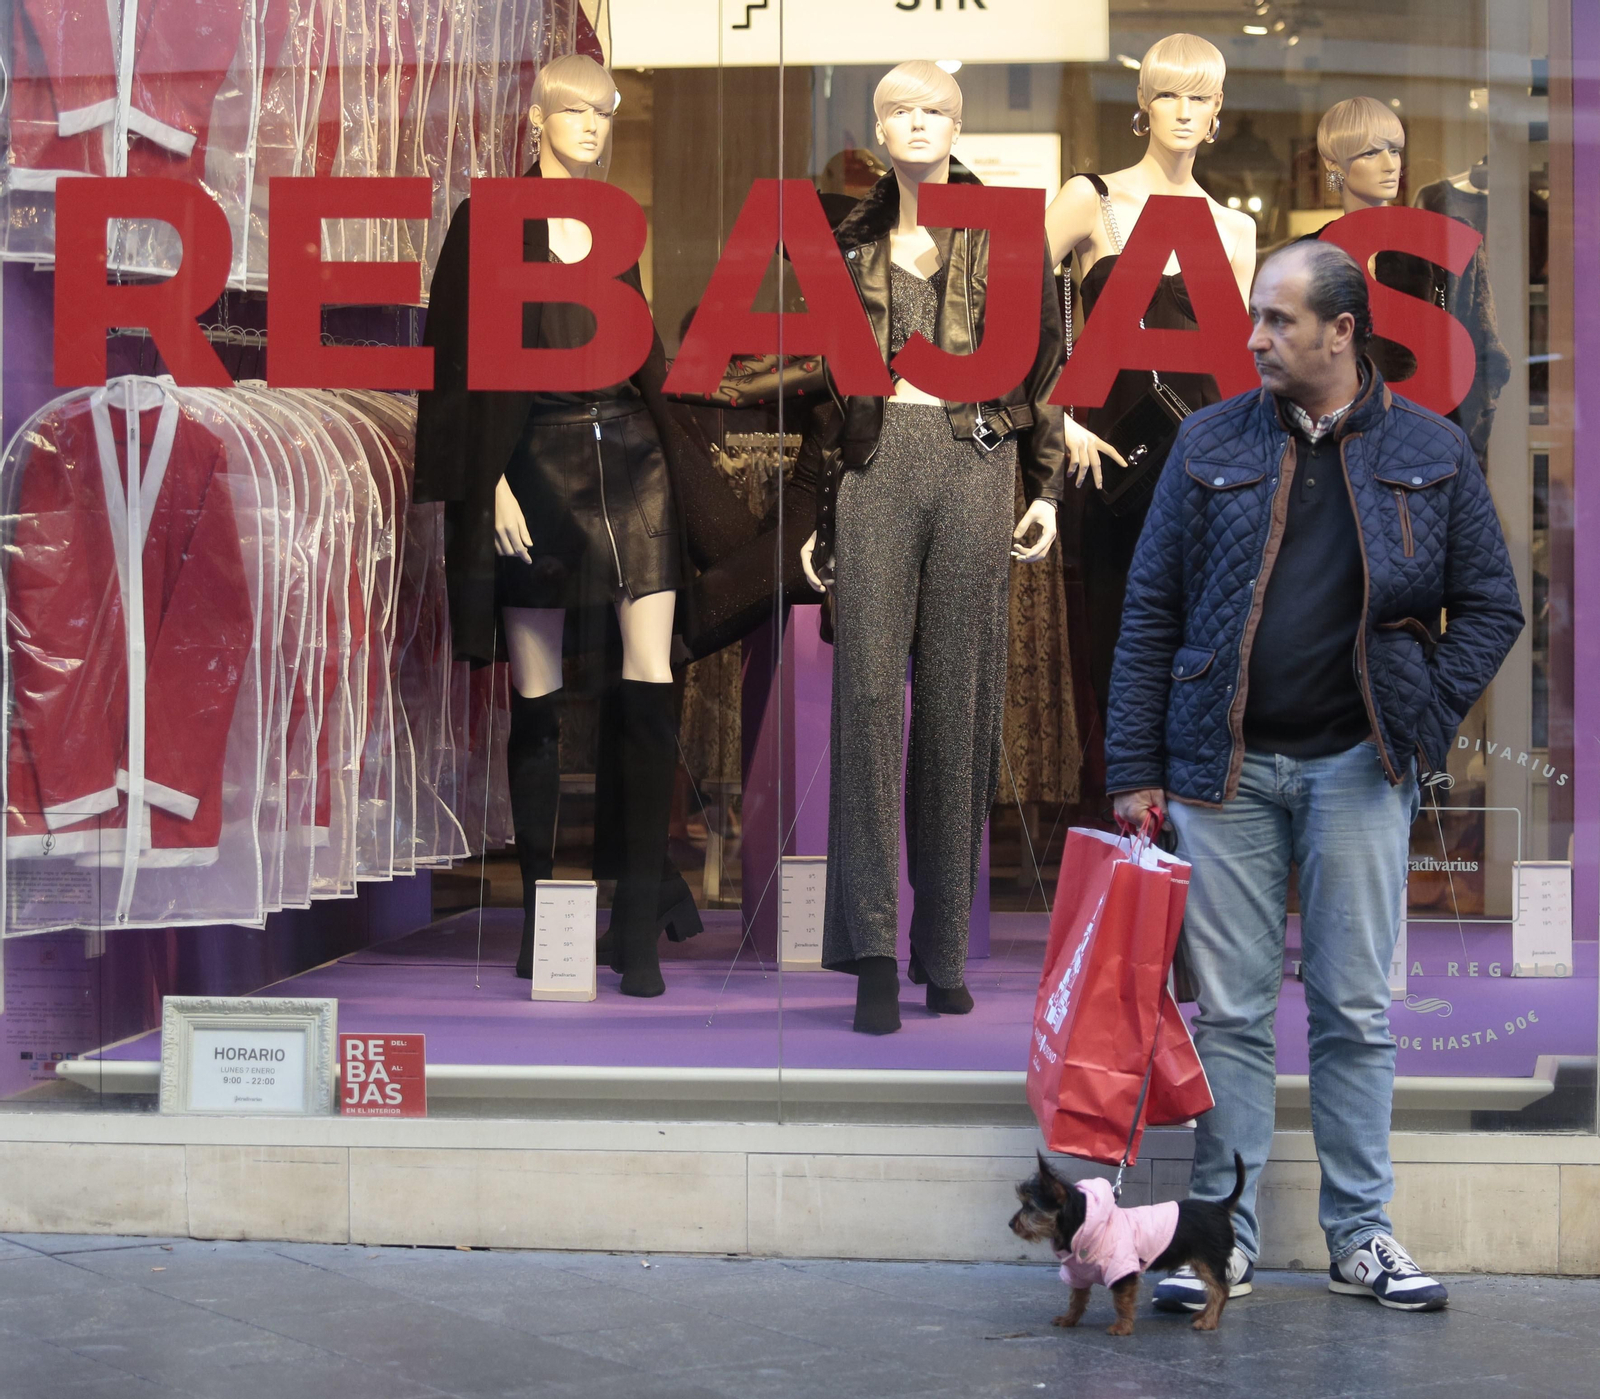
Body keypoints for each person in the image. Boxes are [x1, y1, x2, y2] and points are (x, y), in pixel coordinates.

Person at [1105, 239, 1523, 1312]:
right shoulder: (1206, 442)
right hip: (1223, 770)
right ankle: (1220, 1239)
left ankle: (1361, 1235)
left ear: (1343, 330)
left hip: (1358, 764)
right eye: (1253, 318)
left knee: (1352, 1008)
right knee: (1233, 1016)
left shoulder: (1428, 447)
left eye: (1278, 321)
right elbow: (1149, 610)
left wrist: (1422, 715)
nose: (1254, 338)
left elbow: (1490, 603)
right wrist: (1132, 766)